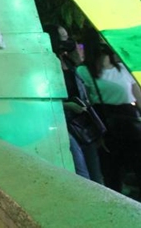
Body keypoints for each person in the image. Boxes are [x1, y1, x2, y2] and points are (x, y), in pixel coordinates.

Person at [77, 28, 141, 201]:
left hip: (133, 125)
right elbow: (86, 106)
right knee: (113, 179)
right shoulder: (83, 72)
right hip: (108, 129)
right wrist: (98, 136)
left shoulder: (122, 69)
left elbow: (140, 101)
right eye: (103, 39)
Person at [42, 24, 102, 184]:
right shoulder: (47, 64)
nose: (67, 41)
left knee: (94, 167)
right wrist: (68, 105)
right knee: (80, 168)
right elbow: (45, 98)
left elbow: (80, 67)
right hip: (64, 123)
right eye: (63, 37)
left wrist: (74, 50)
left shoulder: (68, 61)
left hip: (82, 121)